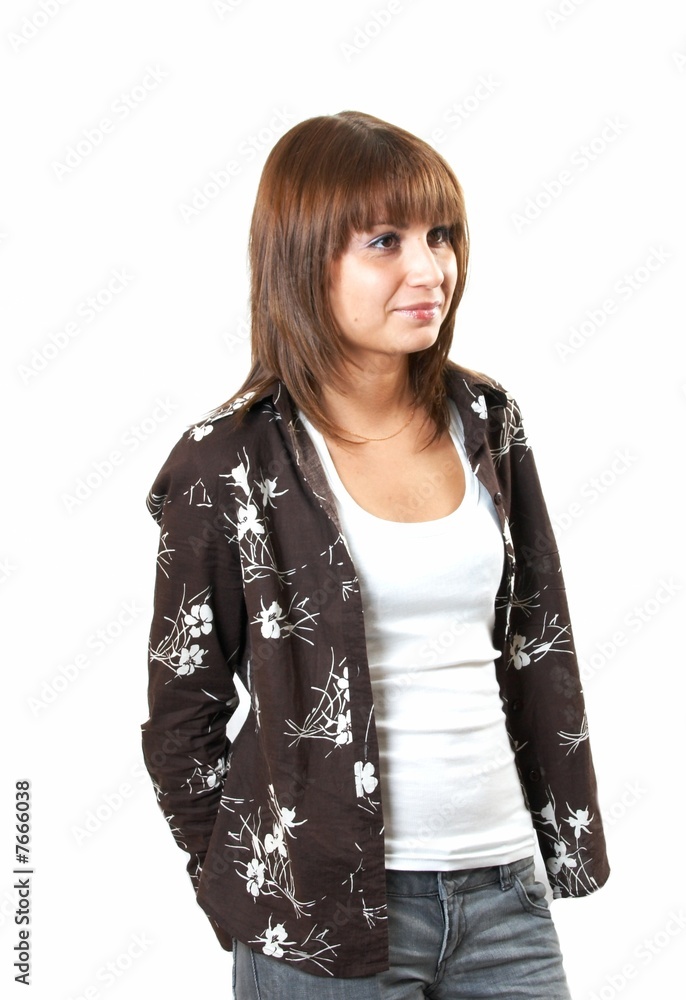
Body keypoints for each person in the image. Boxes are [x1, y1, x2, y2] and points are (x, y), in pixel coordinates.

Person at [141, 110, 610, 999]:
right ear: (302, 258)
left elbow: (536, 638)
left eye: (441, 236)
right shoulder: (229, 460)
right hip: (323, 916)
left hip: (504, 894)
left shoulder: (486, 421)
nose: (430, 269)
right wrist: (246, 889)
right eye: (385, 241)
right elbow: (181, 716)